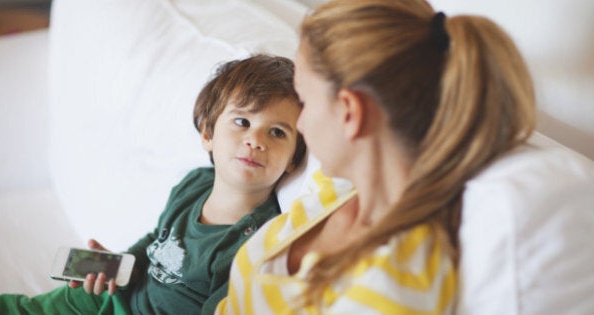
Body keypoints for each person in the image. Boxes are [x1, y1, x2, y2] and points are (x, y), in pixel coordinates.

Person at [216, 0, 540, 313]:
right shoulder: (336, 189)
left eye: (305, 100)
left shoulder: (397, 278)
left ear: (350, 114)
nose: (300, 124)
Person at [0, 54, 306, 314]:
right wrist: (121, 266)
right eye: (242, 122)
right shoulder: (194, 184)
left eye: (277, 132)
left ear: (294, 158)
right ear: (208, 134)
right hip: (114, 297)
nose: (255, 141)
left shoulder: (260, 243)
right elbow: (157, 242)